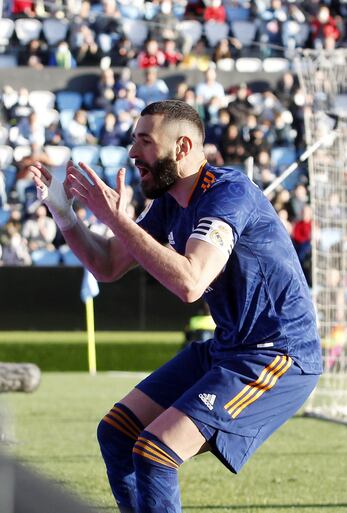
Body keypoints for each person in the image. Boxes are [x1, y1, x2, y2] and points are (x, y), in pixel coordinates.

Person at [29, 100, 322, 513]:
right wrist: (64, 213)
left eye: (144, 142)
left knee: (155, 452)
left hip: (277, 356)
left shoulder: (228, 192)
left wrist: (118, 220)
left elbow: (190, 282)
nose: (132, 153)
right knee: (116, 434)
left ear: (182, 147)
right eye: (133, 141)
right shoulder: (170, 202)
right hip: (228, 348)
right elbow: (109, 265)